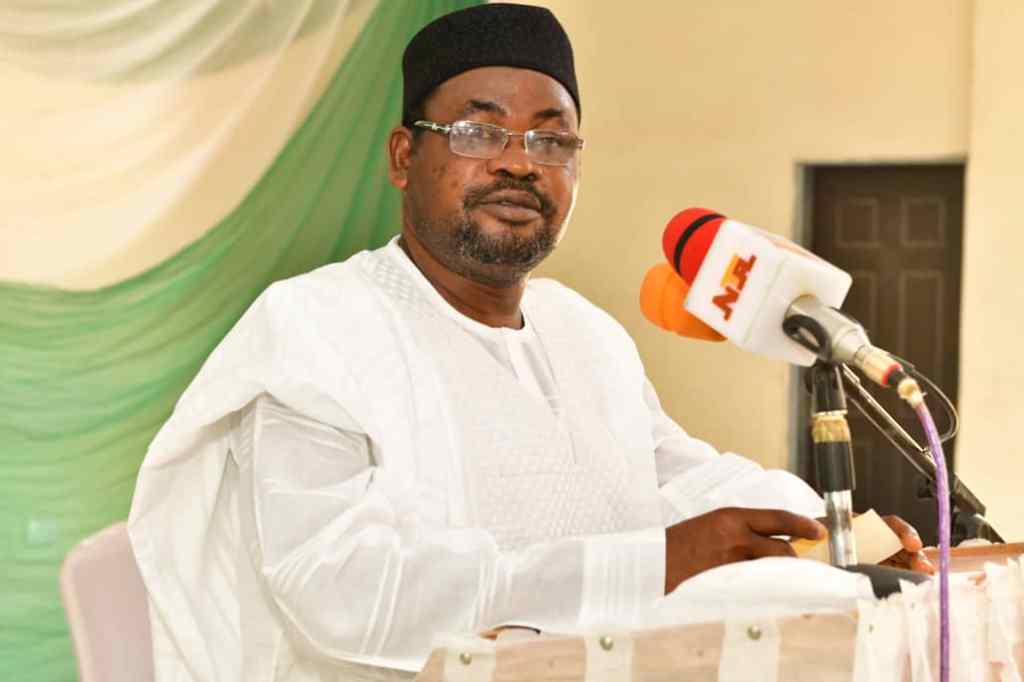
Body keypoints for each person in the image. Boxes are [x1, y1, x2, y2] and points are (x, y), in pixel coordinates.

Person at [128, 4, 931, 681]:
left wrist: (832, 533)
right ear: (405, 157)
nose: (519, 164)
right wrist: (652, 563)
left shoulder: (584, 332)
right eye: (479, 133)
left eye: (553, 141)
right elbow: (339, 588)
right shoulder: (314, 328)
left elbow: (679, 478)